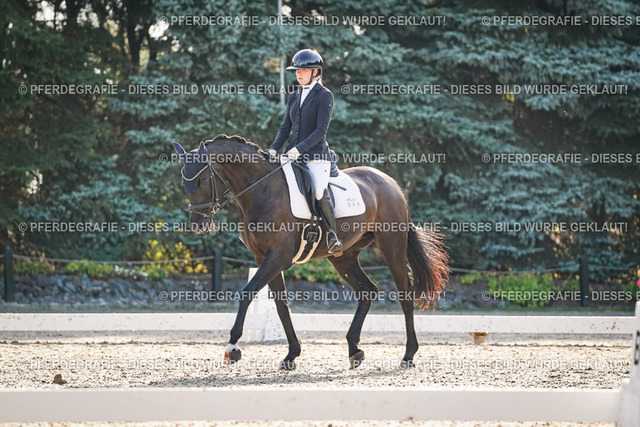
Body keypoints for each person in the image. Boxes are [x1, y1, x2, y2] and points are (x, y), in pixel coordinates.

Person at [269, 49, 343, 254]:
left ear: (315, 72)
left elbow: (321, 131)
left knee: (318, 190)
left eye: (303, 71)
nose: (298, 74)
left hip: (316, 156)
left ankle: (332, 235)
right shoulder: (294, 96)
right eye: (297, 71)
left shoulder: (324, 95)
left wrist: (299, 149)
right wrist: (274, 149)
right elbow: (285, 128)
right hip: (291, 155)